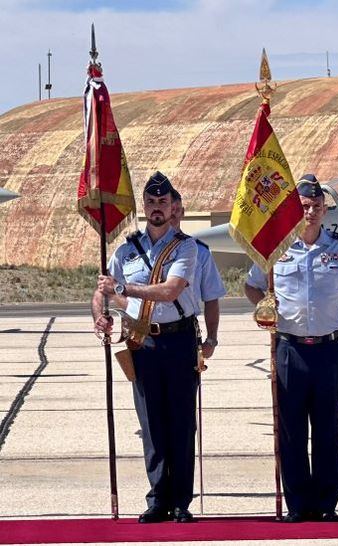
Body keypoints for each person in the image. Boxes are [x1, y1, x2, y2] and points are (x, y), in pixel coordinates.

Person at [244, 174, 338, 523]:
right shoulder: (276, 250)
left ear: (324, 210)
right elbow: (251, 286)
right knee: (291, 430)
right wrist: (264, 304)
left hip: (328, 350)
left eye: (315, 206)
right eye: (303, 207)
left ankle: (326, 503)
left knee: (328, 429)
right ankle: (298, 503)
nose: (309, 212)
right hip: (289, 349)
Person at [92, 171, 200, 523]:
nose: (157, 208)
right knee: (151, 423)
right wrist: (100, 316)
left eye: (163, 202)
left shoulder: (185, 247)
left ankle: (182, 500)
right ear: (144, 207)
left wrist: (124, 291)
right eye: (151, 202)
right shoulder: (126, 251)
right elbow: (102, 291)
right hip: (144, 342)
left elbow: (170, 290)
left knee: (181, 423)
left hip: (179, 340)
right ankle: (158, 498)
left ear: (172, 208)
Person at [170, 189, 225, 358]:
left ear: (183, 212)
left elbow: (211, 297)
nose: (173, 214)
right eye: (169, 208)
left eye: (177, 210)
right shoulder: (142, 251)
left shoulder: (200, 252)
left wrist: (211, 340)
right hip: (149, 337)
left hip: (185, 333)